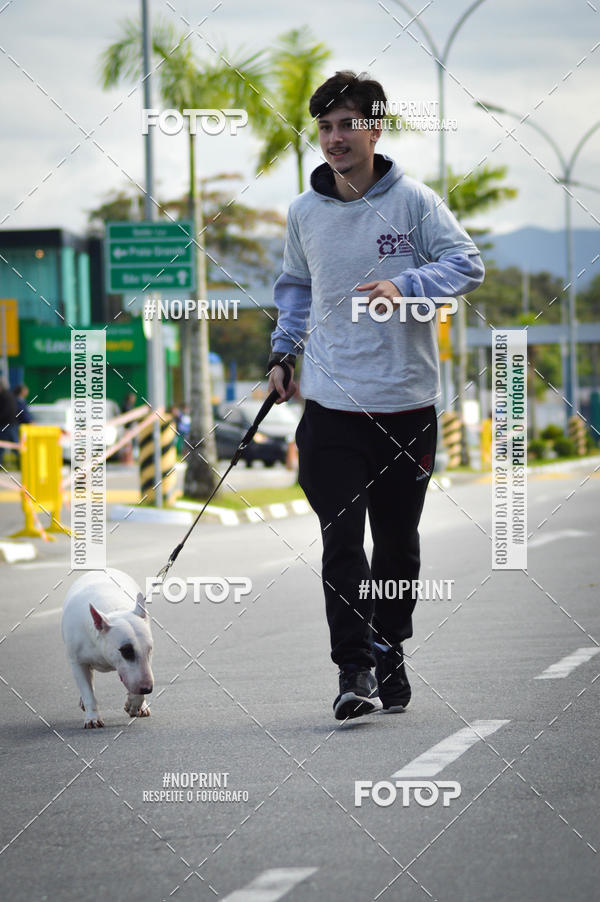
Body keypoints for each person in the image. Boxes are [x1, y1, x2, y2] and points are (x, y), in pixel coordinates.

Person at [266, 71, 484, 721]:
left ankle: (391, 646)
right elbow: (296, 288)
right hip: (332, 406)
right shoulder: (305, 213)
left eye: (348, 124)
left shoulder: (413, 201)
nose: (335, 137)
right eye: (326, 126)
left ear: (375, 128)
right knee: (341, 540)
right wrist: (283, 354)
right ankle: (354, 668)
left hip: (407, 406)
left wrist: (409, 285)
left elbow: (467, 264)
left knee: (396, 545)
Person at [0, 380, 18, 468]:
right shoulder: (10, 395)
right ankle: (23, 463)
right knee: (17, 446)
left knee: (2, 446)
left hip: (6, 424)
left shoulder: (3, 396)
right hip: (12, 424)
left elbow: (5, 412)